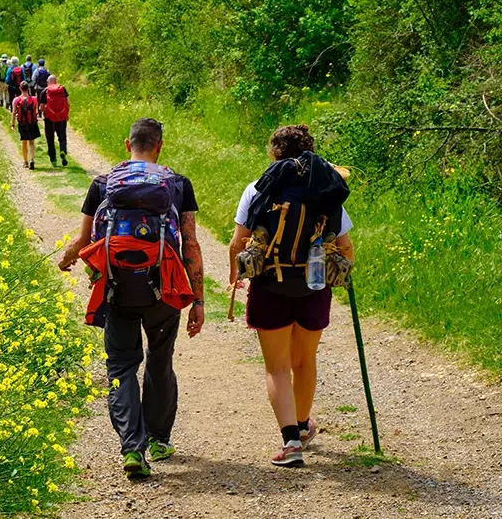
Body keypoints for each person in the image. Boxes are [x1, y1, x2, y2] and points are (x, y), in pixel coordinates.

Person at [59, 118, 205, 480]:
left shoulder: (103, 183)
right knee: (160, 359)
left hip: (117, 286)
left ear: (128, 145)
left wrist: (66, 258)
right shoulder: (177, 184)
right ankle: (158, 439)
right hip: (165, 286)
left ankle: (133, 449)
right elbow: (191, 244)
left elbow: (82, 241)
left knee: (121, 365)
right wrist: (198, 300)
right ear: (159, 145)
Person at [227, 124, 354, 468]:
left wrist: (234, 275)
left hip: (270, 285)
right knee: (304, 361)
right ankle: (301, 424)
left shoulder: (259, 188)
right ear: (310, 150)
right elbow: (345, 247)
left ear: (275, 152)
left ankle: (291, 441)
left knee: (278, 368)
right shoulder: (328, 189)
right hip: (314, 287)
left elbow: (238, 242)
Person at [38, 74, 69, 167]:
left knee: (50, 139)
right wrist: (66, 114)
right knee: (62, 137)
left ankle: (53, 160)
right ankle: (63, 150)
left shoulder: (44, 91)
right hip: (62, 118)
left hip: (49, 119)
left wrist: (43, 111)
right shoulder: (62, 89)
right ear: (56, 81)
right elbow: (68, 103)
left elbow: (41, 108)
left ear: (48, 82)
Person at [11, 81, 39, 170]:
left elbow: (14, 112)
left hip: (22, 123)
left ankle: (25, 162)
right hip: (32, 123)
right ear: (28, 88)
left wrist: (12, 124)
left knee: (24, 142)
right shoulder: (34, 99)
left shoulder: (16, 100)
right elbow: (36, 111)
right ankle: (32, 159)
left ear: (20, 88)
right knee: (31, 142)